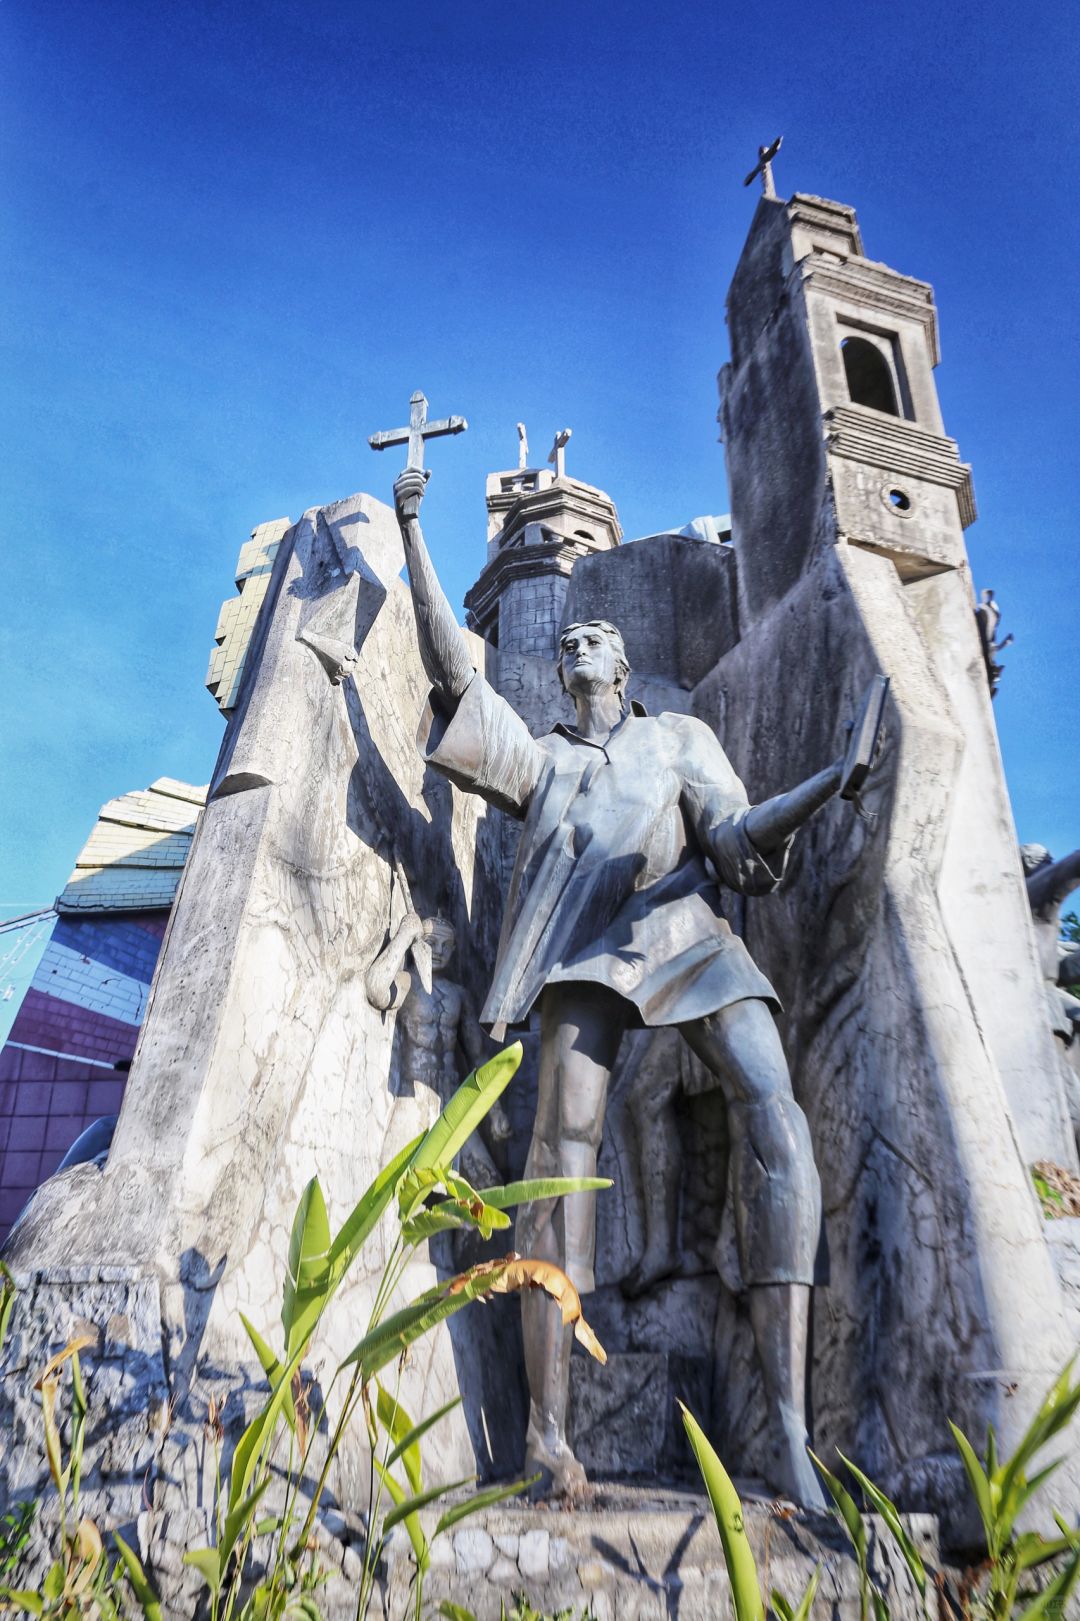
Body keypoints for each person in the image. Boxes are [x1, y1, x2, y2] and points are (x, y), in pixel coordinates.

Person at [394, 466, 870, 1506]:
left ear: (624, 663)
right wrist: (413, 531)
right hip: (584, 955)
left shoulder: (678, 739)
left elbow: (738, 838)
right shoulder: (544, 761)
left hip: (690, 935)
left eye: (592, 640)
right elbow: (452, 678)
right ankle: (548, 1433)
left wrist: (821, 789)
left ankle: (788, 1430)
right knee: (553, 1159)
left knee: (772, 1106)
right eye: (565, 644)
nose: (575, 648)